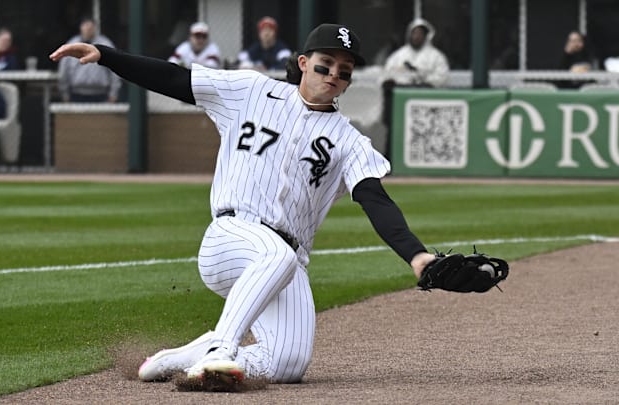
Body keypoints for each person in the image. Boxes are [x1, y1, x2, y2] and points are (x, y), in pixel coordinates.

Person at [50, 23, 435, 387]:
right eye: (326, 63)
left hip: (286, 263)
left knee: (287, 364)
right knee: (277, 256)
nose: (334, 73)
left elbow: (375, 200)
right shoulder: (249, 91)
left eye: (345, 70)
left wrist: (418, 258)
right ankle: (220, 349)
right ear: (303, 63)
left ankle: (195, 354)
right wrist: (105, 55)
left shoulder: (349, 141)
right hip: (230, 238)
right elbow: (175, 79)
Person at [381, 19, 449, 159]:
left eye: (420, 34)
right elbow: (385, 74)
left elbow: (442, 77)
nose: (416, 36)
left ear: (426, 36)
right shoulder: (399, 55)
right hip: (397, 99)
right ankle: (392, 160)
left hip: (423, 99)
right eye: (414, 33)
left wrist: (425, 83)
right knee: (395, 130)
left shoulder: (435, 56)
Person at [57, 17, 121, 102]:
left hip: (101, 95)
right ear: (81, 27)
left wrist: (113, 94)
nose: (88, 29)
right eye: (86, 26)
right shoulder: (72, 44)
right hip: (76, 95)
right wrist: (65, 94)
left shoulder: (106, 44)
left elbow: (114, 69)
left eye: (91, 27)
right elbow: (64, 70)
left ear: (95, 28)